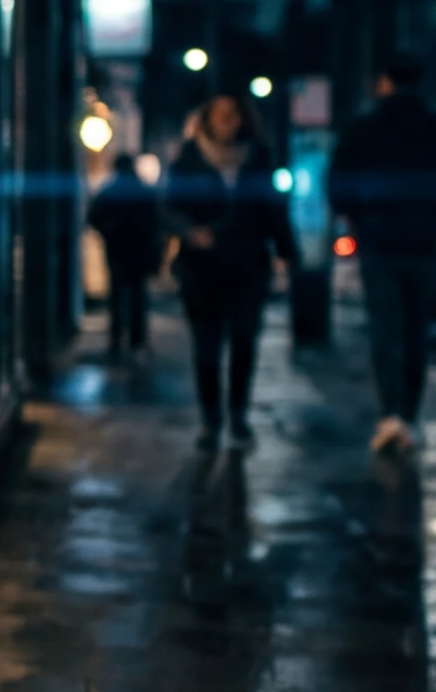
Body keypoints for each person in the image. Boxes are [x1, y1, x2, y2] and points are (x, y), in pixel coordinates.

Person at [329, 52, 436, 453]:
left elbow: (339, 182)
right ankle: (408, 415)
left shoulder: (365, 128)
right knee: (416, 331)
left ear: (384, 81)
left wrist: (358, 221)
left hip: (381, 240)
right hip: (426, 242)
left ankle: (391, 413)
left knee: (386, 328)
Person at [164, 94, 293, 447]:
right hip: (202, 266)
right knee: (206, 346)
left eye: (232, 115)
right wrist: (190, 232)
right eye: (219, 115)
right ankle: (210, 419)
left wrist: (286, 251)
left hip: (248, 261)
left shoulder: (258, 157)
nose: (226, 122)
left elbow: (274, 208)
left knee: (244, 341)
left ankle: (238, 415)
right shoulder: (189, 159)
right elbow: (170, 206)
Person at [87, 152, 164, 357]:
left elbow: (93, 218)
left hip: (117, 250)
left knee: (117, 295)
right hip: (139, 251)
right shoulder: (144, 190)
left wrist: (110, 232)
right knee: (139, 296)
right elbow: (157, 223)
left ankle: (116, 339)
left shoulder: (109, 190)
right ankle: (136, 341)